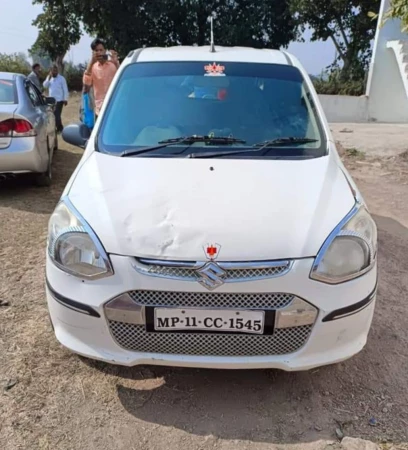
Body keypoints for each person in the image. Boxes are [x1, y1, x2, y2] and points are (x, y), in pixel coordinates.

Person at [83, 38, 119, 119]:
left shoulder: (113, 65)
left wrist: (116, 63)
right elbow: (86, 84)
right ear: (93, 52)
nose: (99, 52)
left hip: (114, 106)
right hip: (99, 110)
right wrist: (91, 62)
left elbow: (122, 79)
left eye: (101, 50)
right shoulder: (92, 67)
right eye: (96, 50)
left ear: (105, 51)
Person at [43, 65, 69, 133]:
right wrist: (48, 78)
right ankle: (55, 128)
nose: (55, 72)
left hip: (59, 100)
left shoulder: (61, 78)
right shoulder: (49, 78)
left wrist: (65, 99)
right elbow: (45, 85)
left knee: (57, 114)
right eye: (53, 71)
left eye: (56, 70)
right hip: (51, 100)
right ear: (50, 71)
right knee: (52, 115)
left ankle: (60, 128)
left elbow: (65, 89)